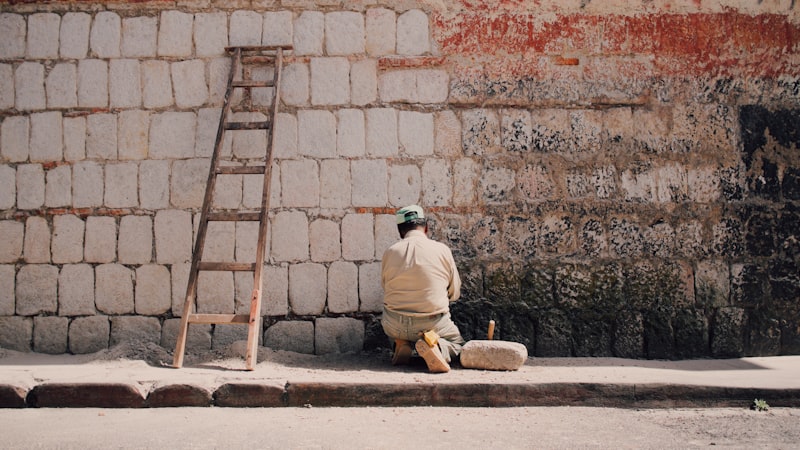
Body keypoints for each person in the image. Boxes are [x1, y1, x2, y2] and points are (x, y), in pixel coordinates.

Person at [380, 205, 465, 373]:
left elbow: (386, 288)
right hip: (432, 323)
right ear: (426, 227)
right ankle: (437, 347)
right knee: (459, 344)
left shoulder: (390, 252)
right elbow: (454, 293)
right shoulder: (442, 250)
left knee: (394, 330)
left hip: (395, 324)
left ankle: (401, 344)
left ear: (400, 231)